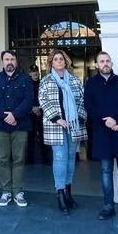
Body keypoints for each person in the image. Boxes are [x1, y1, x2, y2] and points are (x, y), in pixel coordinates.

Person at [84, 52, 118, 223]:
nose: (105, 64)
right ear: (97, 64)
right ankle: (108, 206)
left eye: (107, 61)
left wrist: (115, 118)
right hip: (102, 132)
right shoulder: (91, 83)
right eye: (102, 61)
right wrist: (106, 121)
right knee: (106, 171)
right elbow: (88, 105)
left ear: (111, 63)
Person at [39, 48, 87, 215]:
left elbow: (82, 100)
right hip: (56, 126)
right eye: (56, 59)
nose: (59, 61)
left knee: (70, 161)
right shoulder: (46, 81)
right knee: (59, 159)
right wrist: (57, 119)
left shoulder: (74, 80)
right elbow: (43, 101)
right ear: (51, 63)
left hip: (73, 126)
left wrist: (78, 118)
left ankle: (68, 192)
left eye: (61, 59)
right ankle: (59, 193)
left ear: (66, 61)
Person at [0, 50, 34, 207]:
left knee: (19, 159)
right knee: (3, 159)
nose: (9, 61)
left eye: (12, 58)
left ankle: (18, 192)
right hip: (0, 126)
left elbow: (28, 101)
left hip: (20, 125)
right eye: (7, 59)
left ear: (16, 61)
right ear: (2, 61)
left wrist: (15, 115)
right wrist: (5, 116)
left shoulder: (25, 79)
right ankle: (6, 191)